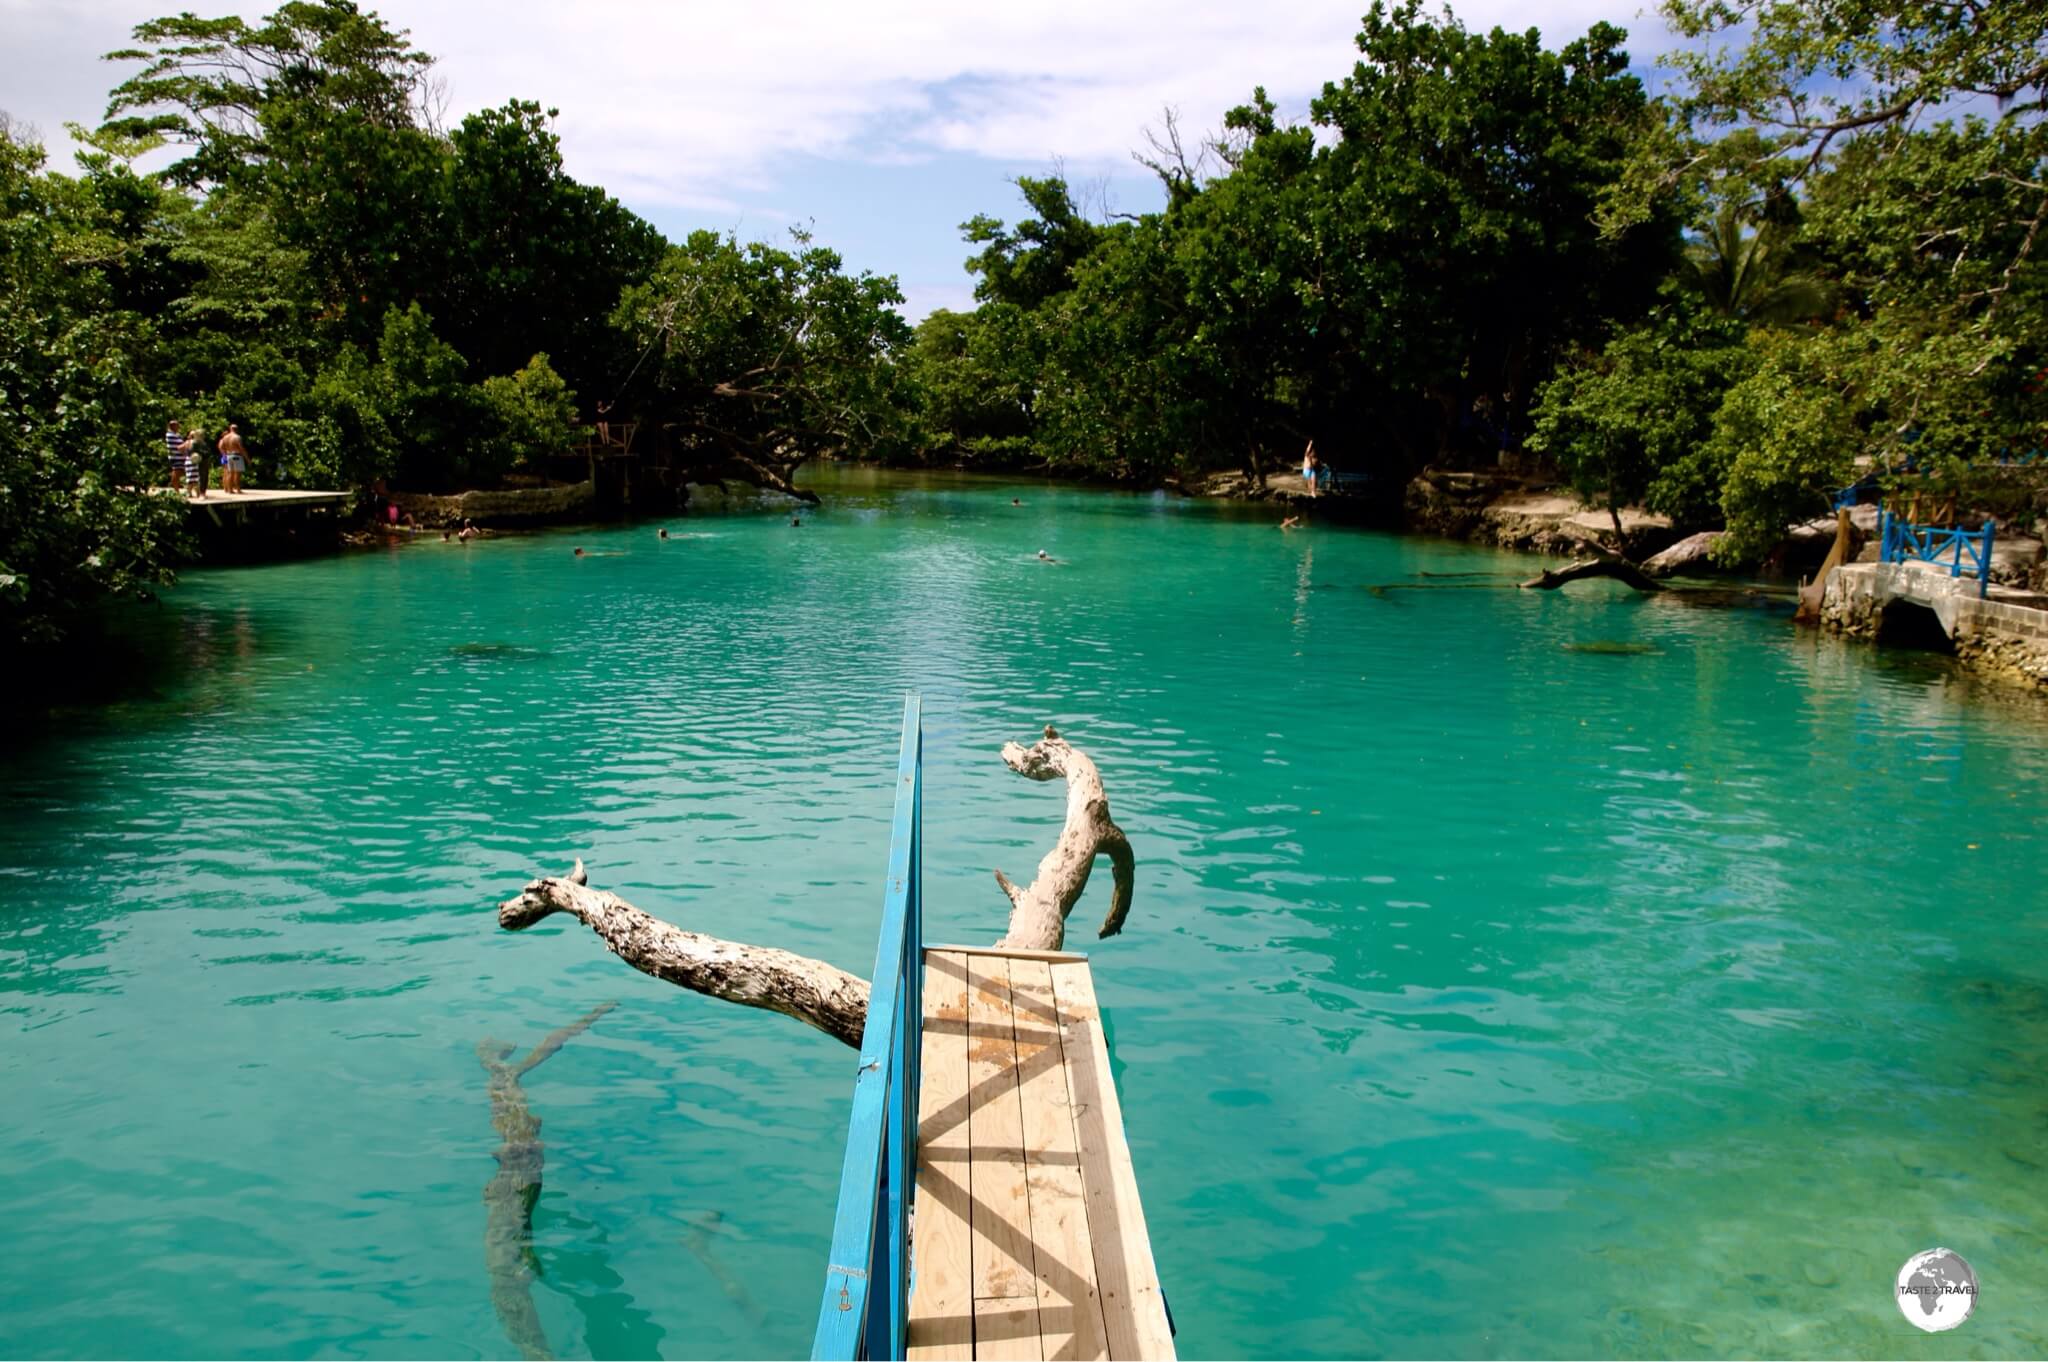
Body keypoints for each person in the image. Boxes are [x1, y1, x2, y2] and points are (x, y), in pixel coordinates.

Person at [217, 423, 248, 494]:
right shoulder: (237, 437)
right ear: (237, 429)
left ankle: (229, 490)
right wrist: (247, 458)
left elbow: (222, 447)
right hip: (236, 456)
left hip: (228, 456)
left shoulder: (225, 437)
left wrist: (224, 455)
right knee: (237, 473)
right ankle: (238, 489)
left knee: (229, 473)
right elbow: (241, 448)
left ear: (230, 429)